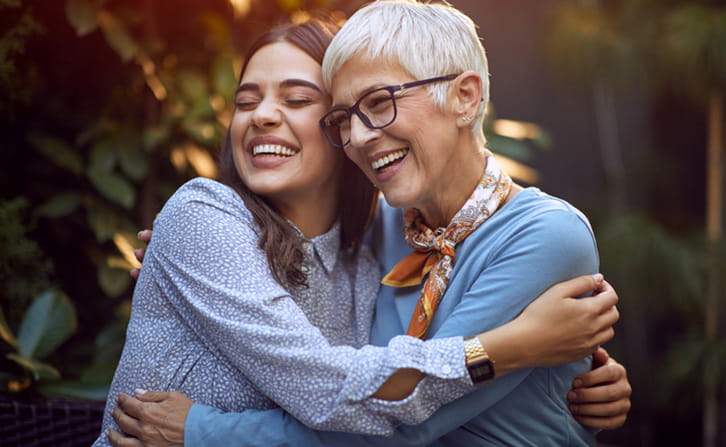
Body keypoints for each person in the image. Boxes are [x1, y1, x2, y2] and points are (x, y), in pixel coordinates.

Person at [103, 8, 629, 447]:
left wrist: (204, 430)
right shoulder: (378, 233)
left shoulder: (541, 234)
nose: (356, 134)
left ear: (466, 97)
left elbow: (395, 425)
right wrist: (187, 258)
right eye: (344, 117)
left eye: (378, 103)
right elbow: (341, 388)